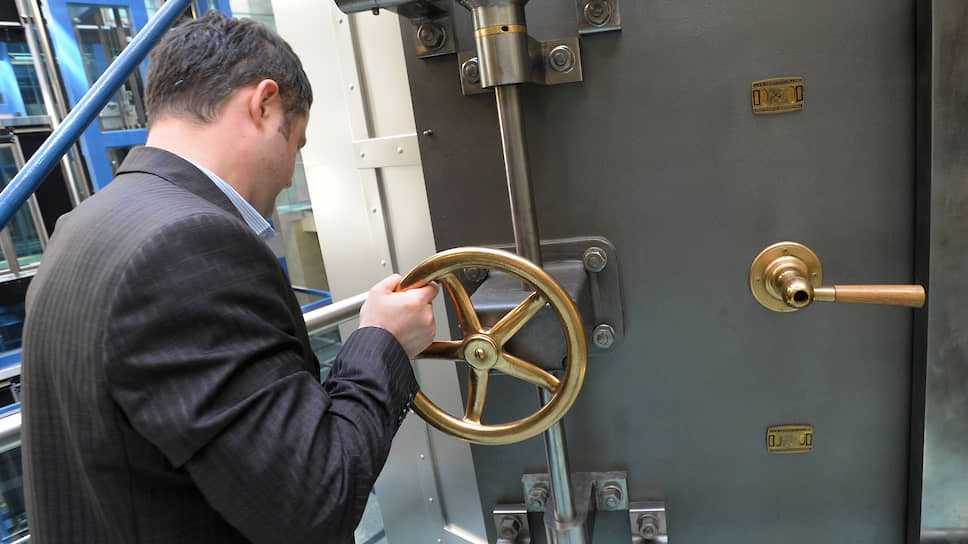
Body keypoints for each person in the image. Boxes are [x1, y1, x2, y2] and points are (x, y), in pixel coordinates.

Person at [20, 10, 438, 543]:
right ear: (263, 104)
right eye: (296, 145)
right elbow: (317, 498)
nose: (287, 177)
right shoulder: (188, 245)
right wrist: (382, 341)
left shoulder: (80, 225)